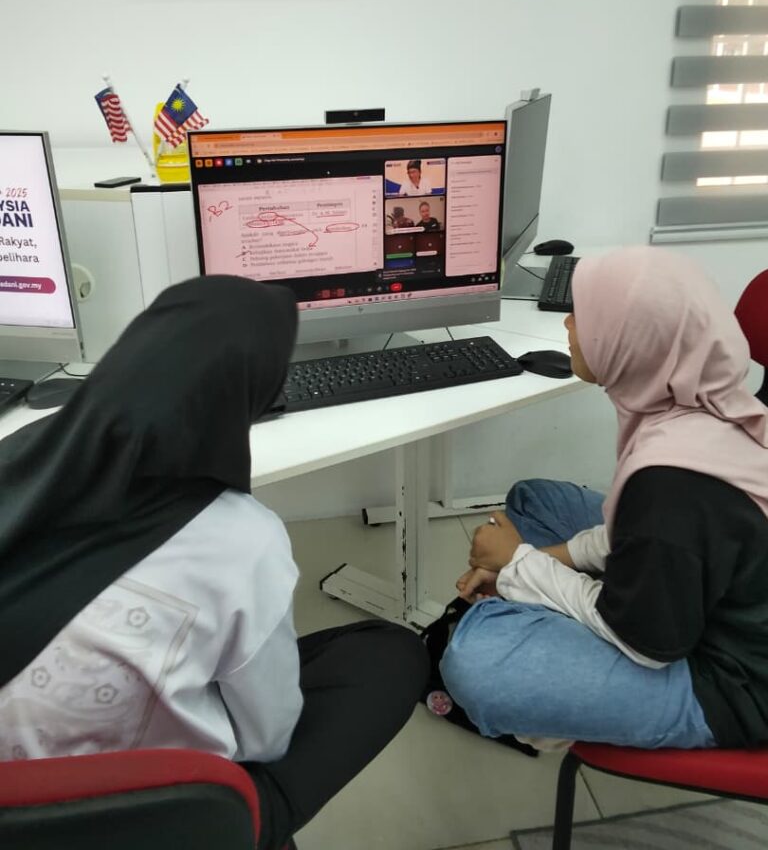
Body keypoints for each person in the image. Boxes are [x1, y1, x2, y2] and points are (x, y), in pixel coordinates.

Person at [0, 275, 428, 850]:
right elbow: (266, 740)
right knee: (389, 653)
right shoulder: (242, 539)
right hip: (151, 818)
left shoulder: (20, 461)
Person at [441, 247, 768, 750]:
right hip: (702, 591)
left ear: (627, 342)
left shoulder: (669, 488)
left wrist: (520, 567)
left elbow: (646, 642)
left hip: (731, 679)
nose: (569, 324)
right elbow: (635, 534)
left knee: (477, 658)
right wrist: (540, 562)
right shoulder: (704, 396)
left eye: (584, 315)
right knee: (535, 500)